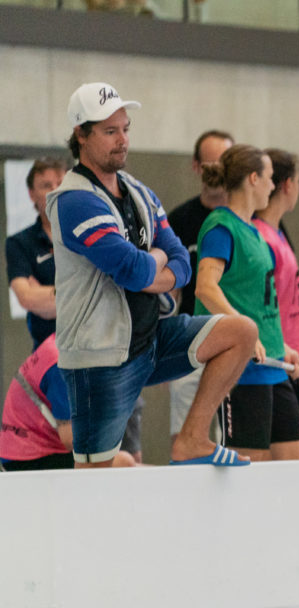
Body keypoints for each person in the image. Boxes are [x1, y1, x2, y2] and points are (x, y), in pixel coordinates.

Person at [48, 82, 257, 468]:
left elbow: (182, 264)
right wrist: (156, 262)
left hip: (151, 340)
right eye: (110, 131)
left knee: (241, 332)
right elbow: (133, 271)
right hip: (101, 360)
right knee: (96, 475)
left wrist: (152, 267)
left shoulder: (139, 192)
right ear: (81, 135)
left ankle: (192, 439)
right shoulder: (74, 200)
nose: (122, 140)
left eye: (126, 129)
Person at [194, 143, 299, 462]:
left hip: (272, 363)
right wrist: (246, 333)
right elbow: (205, 288)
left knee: (294, 458)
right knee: (250, 461)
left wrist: (280, 344)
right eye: (269, 178)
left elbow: (257, 303)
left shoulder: (254, 231)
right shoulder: (221, 226)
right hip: (241, 368)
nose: (273, 186)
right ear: (253, 179)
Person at [166, 129, 235, 441]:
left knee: (234, 440)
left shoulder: (248, 221)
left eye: (224, 163)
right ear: (196, 166)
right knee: (186, 435)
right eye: (210, 164)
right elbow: (170, 290)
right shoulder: (180, 220)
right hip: (193, 340)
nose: (217, 171)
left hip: (240, 342)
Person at [0, 335, 135, 471]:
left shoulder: (63, 342)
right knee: (124, 463)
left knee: (127, 463)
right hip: (29, 459)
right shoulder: (63, 365)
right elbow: (71, 439)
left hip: (23, 451)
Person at [6, 158, 67, 351]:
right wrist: (81, 297)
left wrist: (48, 299)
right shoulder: (20, 243)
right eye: (46, 186)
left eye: (60, 184)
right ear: (31, 194)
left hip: (94, 349)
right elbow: (26, 297)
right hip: (49, 351)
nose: (55, 191)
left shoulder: (86, 235)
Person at [254, 148, 299, 356]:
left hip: (289, 352)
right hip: (274, 353)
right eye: (298, 181)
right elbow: (258, 304)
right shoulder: (262, 238)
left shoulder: (277, 233)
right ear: (288, 184)